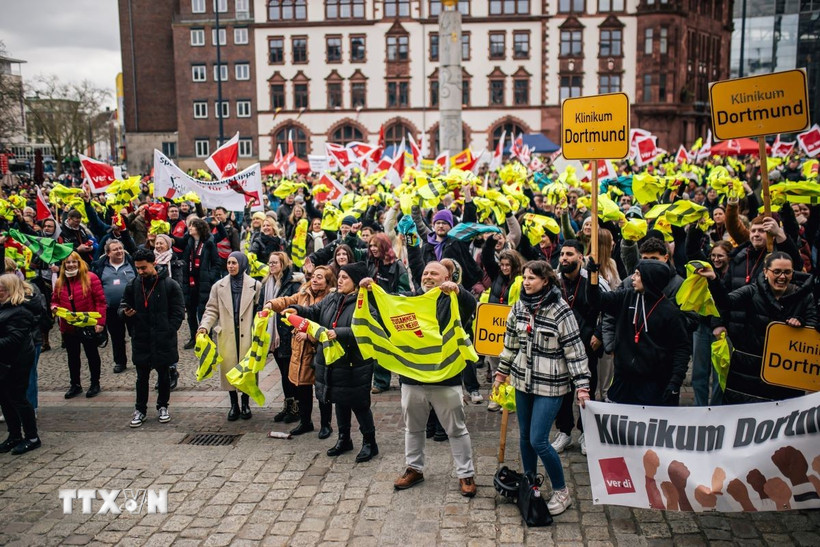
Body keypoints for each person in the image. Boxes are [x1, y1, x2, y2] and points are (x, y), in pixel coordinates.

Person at [366, 261, 479, 497]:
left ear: (447, 277)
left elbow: (471, 305)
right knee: (413, 429)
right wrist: (371, 289)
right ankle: (414, 469)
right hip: (412, 379)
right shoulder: (408, 299)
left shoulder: (453, 298)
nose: (428, 276)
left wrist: (458, 290)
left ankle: (465, 474)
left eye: (434, 273)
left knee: (456, 430)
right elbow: (385, 302)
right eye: (425, 272)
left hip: (445, 379)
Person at [493, 260, 591, 516]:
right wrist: (501, 374)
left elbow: (576, 352)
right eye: (525, 277)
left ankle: (561, 491)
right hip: (522, 381)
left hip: (552, 385)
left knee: (539, 439)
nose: (526, 282)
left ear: (546, 280)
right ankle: (530, 482)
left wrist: (582, 386)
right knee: (524, 437)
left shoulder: (561, 311)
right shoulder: (519, 306)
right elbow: (510, 344)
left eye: (532, 278)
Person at [285, 262, 379, 462]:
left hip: (354, 364)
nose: (341, 280)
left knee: (360, 404)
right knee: (339, 400)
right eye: (341, 276)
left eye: (346, 277)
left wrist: (340, 333)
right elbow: (313, 312)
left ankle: (370, 442)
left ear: (356, 282)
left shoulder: (364, 302)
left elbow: (368, 330)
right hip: (332, 362)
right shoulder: (332, 298)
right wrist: (295, 310)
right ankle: (344, 439)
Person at [696, 252, 817, 403]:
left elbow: (814, 326)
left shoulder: (805, 297)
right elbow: (726, 302)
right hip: (747, 370)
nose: (782, 277)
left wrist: (801, 323)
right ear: (766, 272)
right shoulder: (752, 291)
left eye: (787, 272)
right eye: (777, 272)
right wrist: (714, 280)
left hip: (784, 375)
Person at [587, 259, 691, 406]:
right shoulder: (626, 297)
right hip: (623, 381)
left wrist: (675, 382)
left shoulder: (670, 313)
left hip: (653, 384)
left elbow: (682, 349)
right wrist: (592, 279)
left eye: (637, 274)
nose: (632, 278)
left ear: (649, 278)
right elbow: (596, 301)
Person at [265, 266, 336, 438]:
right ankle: (306, 422)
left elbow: (329, 325)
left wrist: (309, 336)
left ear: (327, 281)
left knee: (322, 391)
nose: (315, 279)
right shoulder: (303, 293)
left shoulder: (331, 299)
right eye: (313, 276)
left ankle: (326, 425)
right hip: (300, 350)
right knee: (302, 389)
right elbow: (288, 301)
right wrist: (271, 304)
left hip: (318, 351)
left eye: (320, 277)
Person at [552, 240, 609, 456]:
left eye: (569, 254)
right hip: (560, 346)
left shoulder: (595, 280)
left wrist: (600, 333)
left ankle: (586, 432)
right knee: (562, 390)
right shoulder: (555, 282)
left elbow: (609, 309)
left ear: (580, 257)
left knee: (587, 389)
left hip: (588, 345)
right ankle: (564, 432)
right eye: (562, 254)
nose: (564, 258)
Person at [120, 249, 185, 427]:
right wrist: (126, 314)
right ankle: (140, 409)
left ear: (153, 264)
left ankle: (163, 406)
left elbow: (178, 312)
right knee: (142, 377)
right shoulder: (133, 285)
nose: (140, 272)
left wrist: (169, 330)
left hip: (163, 338)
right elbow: (123, 306)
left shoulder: (170, 285)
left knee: (163, 375)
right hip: (141, 337)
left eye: (143, 268)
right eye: (138, 269)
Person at [198, 252, 262, 421]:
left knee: (247, 370)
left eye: (234, 263)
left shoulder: (255, 285)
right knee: (229, 369)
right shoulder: (218, 286)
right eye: (229, 263)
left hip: (247, 332)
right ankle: (234, 404)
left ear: (242, 264)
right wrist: (205, 326)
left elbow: (259, 310)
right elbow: (211, 309)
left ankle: (246, 403)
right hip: (226, 332)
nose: (231, 266)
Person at [51, 252, 107, 399]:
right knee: (72, 357)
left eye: (73, 262)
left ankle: (95, 383)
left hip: (87, 325)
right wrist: (54, 308)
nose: (71, 265)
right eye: (67, 263)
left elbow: (100, 302)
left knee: (92, 355)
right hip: (69, 327)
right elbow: (54, 300)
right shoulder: (60, 281)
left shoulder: (91, 278)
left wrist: (100, 323)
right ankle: (75, 384)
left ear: (79, 263)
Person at [0, 274, 41, 455]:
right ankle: (14, 435)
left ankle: (32, 437)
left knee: (19, 398)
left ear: (9, 290)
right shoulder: (4, 308)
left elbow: (14, 340)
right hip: (5, 362)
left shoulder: (21, 311)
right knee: (5, 399)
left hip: (17, 361)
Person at [261, 252, 303, 424]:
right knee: (283, 373)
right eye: (269, 263)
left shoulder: (292, 284)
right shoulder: (266, 284)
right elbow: (261, 305)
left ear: (283, 264)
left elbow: (294, 306)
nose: (271, 266)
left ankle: (296, 408)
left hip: (286, 334)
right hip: (273, 336)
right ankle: (288, 405)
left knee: (289, 373)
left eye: (275, 263)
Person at [91, 240, 136, 374]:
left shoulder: (131, 264)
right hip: (111, 309)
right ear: (108, 253)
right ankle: (120, 362)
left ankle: (140, 359)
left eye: (121, 248)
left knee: (136, 334)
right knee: (117, 337)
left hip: (131, 307)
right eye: (115, 249)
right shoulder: (100, 267)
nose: (119, 251)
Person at [182, 217, 221, 349]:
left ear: (199, 228)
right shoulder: (188, 242)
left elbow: (217, 263)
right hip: (190, 281)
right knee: (191, 313)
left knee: (203, 312)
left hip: (203, 283)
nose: (190, 228)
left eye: (192, 226)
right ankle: (193, 337)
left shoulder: (208, 243)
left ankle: (207, 338)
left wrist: (210, 277)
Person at [153, 234, 184, 389]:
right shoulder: (149, 260)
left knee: (169, 341)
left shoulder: (174, 260)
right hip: (154, 305)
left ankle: (172, 370)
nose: (159, 246)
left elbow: (178, 283)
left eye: (162, 243)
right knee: (156, 343)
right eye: (156, 243)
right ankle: (161, 373)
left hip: (169, 305)